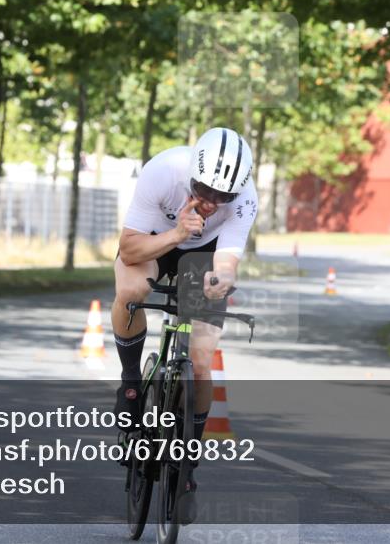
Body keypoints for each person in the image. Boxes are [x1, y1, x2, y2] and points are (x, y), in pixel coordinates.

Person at [112, 126, 257, 521]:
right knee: (131, 293)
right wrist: (177, 232)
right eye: (203, 190)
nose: (210, 203)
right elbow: (129, 249)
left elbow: (227, 260)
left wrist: (220, 280)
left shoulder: (246, 199)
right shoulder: (163, 171)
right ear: (192, 172)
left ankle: (187, 464)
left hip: (204, 256)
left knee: (202, 361)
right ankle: (130, 383)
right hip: (155, 242)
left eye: (222, 197)